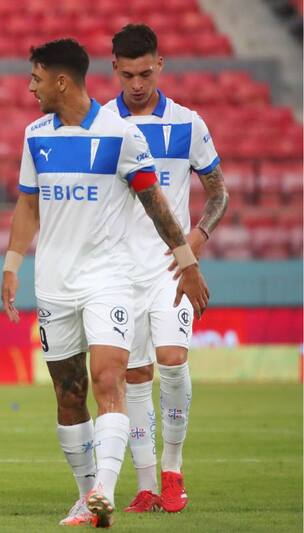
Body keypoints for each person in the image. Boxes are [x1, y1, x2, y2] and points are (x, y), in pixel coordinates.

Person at [0, 39, 209, 528]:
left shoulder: (121, 134)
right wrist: (11, 265)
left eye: (36, 79)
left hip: (108, 281)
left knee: (109, 380)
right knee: (68, 395)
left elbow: (155, 203)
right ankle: (85, 496)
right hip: (54, 284)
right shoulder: (35, 135)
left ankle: (106, 490)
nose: (30, 88)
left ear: (61, 81)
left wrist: (187, 261)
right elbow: (28, 205)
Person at [105, 23, 228, 514]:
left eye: (146, 73)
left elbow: (218, 193)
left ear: (160, 64)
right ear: (114, 68)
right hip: (118, 272)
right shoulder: (102, 126)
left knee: (173, 360)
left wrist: (194, 242)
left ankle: (173, 470)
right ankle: (146, 485)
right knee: (134, 374)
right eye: (128, 75)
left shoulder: (188, 124)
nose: (137, 84)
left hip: (168, 269)